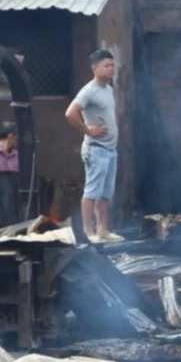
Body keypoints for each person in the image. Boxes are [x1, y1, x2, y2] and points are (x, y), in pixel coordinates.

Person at [66, 50, 120, 243]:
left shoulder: (108, 89)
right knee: (92, 192)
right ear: (94, 68)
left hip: (110, 149)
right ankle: (88, 232)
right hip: (96, 149)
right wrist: (88, 130)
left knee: (105, 193)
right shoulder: (89, 90)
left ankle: (103, 230)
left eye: (112, 65)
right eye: (107, 66)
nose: (111, 69)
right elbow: (71, 113)